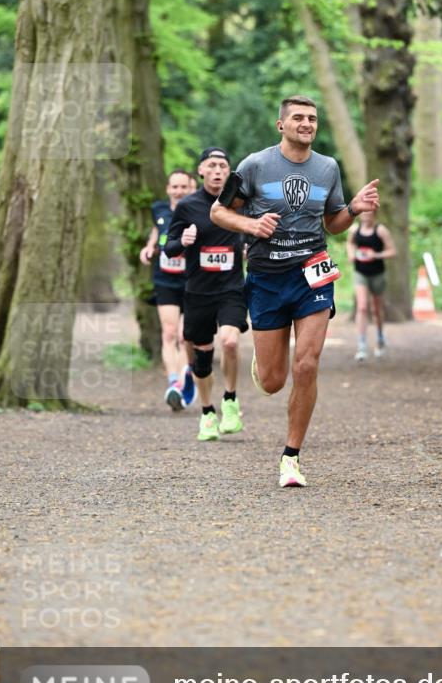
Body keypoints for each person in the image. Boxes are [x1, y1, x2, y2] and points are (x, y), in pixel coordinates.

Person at [210, 95, 380, 488]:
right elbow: (219, 211)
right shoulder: (254, 165)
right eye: (299, 118)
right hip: (268, 278)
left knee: (307, 363)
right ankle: (264, 366)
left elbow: (333, 223)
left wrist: (353, 208)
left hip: (312, 274)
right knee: (273, 381)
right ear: (281, 125)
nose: (307, 123)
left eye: (313, 118)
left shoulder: (328, 168)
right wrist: (252, 227)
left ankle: (291, 457)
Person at [164, 147, 248, 441]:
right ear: (200, 170)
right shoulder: (187, 206)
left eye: (223, 165)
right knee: (201, 358)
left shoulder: (240, 203)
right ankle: (207, 412)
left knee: (229, 342)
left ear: (228, 171)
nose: (217, 170)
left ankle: (230, 399)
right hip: (198, 292)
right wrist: (182, 241)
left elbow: (254, 233)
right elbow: (169, 246)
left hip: (232, 288)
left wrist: (249, 245)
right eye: (211, 165)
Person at [140, 169, 197, 411]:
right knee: (170, 333)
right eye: (174, 187)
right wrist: (150, 246)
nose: (179, 191)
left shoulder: (197, 210)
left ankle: (184, 382)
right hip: (165, 279)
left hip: (191, 280)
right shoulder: (159, 210)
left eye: (183, 187)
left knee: (186, 336)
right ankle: (174, 383)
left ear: (190, 188)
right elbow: (157, 229)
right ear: (168, 189)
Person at [346, 210, 396, 361]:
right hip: (360, 273)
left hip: (377, 273)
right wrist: (351, 254)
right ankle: (361, 345)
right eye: (363, 212)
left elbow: (392, 251)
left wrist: (376, 255)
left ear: (374, 214)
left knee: (376, 309)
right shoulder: (354, 229)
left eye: (369, 213)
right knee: (362, 307)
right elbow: (350, 243)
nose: (366, 215)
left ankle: (380, 338)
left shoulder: (380, 230)